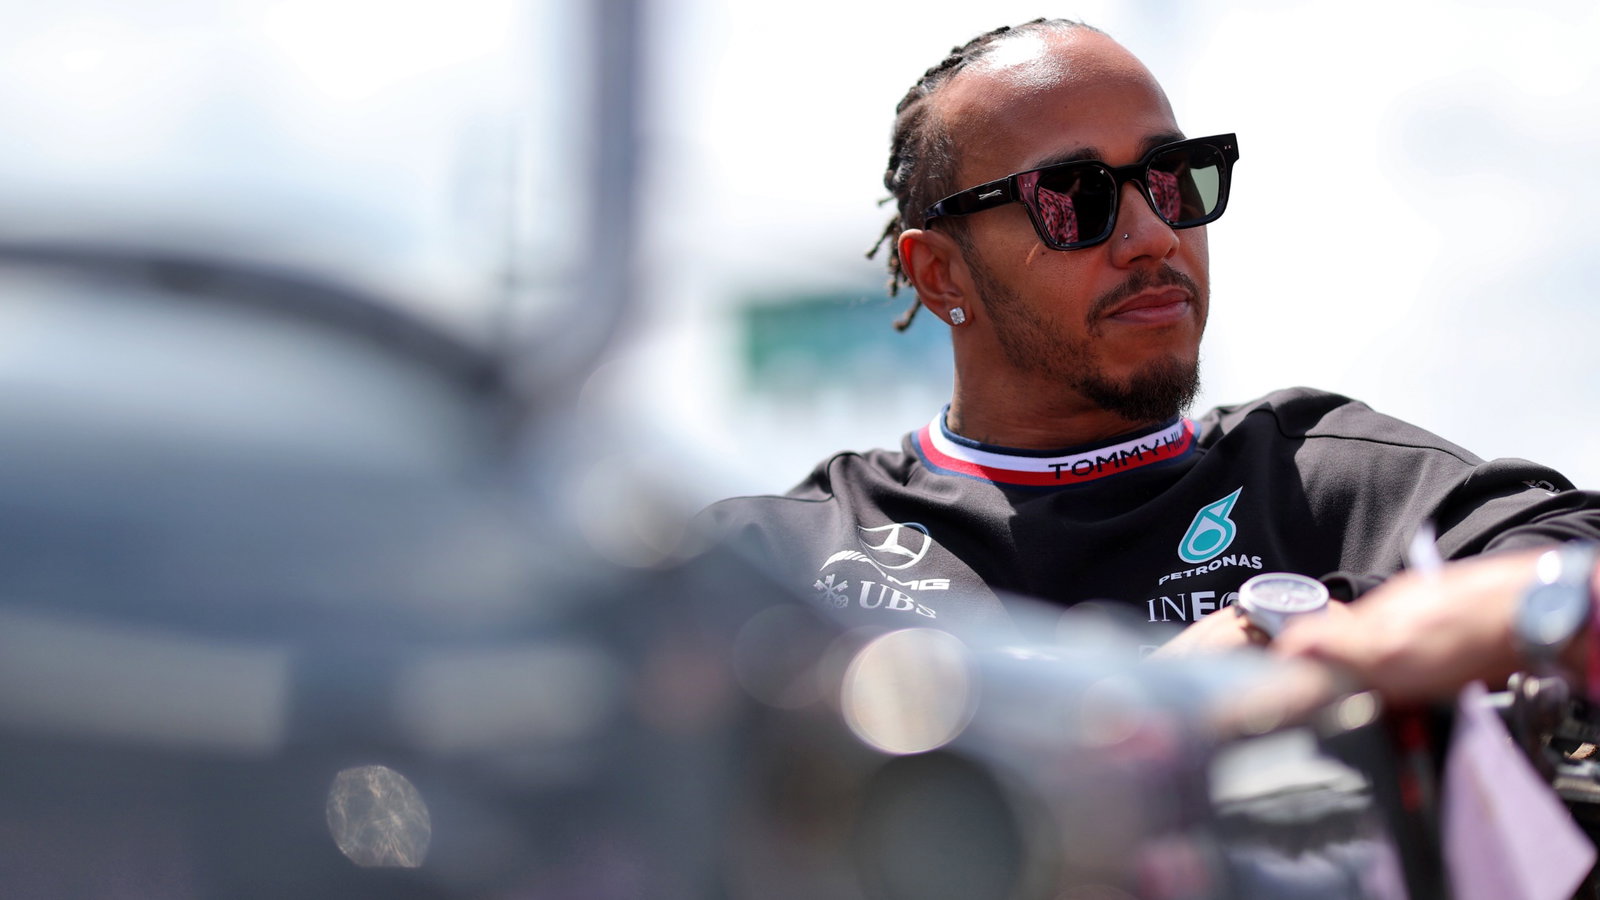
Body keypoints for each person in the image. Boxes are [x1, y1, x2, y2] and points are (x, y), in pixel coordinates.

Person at [703, 18, 1600, 653]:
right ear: (941, 273)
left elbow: (1578, 556)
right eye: (1074, 198)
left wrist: (1284, 629)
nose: (1155, 235)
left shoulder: (1322, 480)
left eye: (1174, 177)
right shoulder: (793, 557)